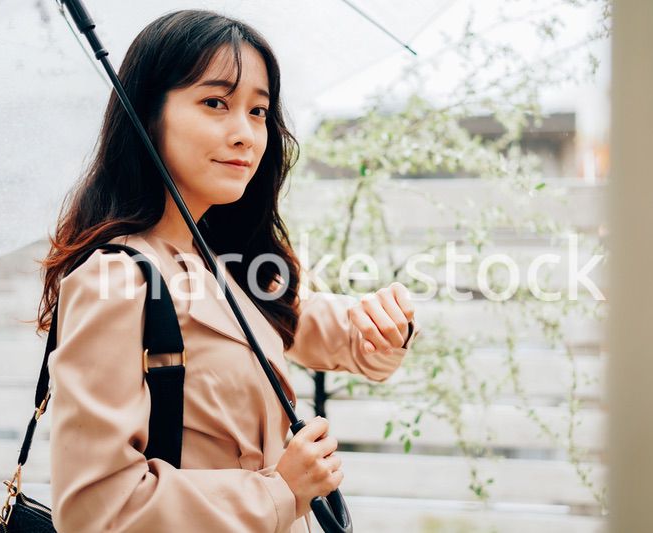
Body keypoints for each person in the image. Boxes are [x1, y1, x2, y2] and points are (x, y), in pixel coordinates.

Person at [38, 9, 420, 533]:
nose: (245, 134)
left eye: (258, 111)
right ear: (148, 114)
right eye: (215, 102)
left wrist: (387, 321)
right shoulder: (116, 278)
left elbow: (332, 331)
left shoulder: (224, 262)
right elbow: (94, 509)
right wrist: (281, 491)